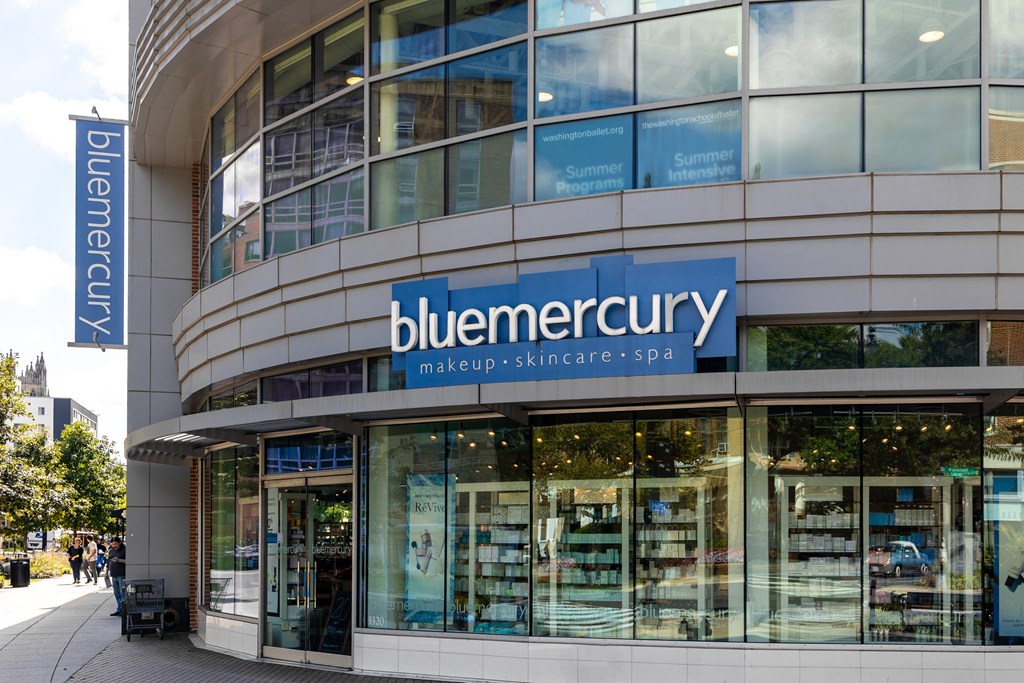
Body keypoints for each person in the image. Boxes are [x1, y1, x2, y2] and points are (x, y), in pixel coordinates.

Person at [107, 537, 127, 616]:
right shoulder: (111, 550)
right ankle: (119, 609)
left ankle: (124, 610)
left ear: (120, 543)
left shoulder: (124, 550)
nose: (114, 546)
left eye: (115, 544)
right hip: (113, 574)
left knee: (122, 593)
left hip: (121, 574)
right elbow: (108, 561)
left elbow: (129, 561)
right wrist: (106, 572)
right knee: (116, 593)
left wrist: (119, 560)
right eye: (112, 544)